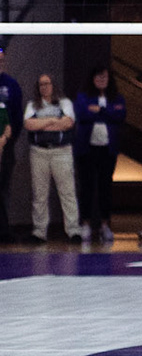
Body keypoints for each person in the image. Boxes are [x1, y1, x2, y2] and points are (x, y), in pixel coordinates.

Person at [73, 67, 126, 245]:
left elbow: (119, 115)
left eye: (105, 76)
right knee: (86, 187)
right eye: (98, 76)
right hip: (87, 149)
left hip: (107, 150)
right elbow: (82, 113)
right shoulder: (83, 96)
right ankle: (86, 223)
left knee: (105, 187)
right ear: (92, 78)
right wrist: (105, 112)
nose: (102, 79)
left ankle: (105, 224)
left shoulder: (116, 97)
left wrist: (100, 110)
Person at [24, 75, 78, 244]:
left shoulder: (64, 103)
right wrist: (54, 121)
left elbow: (68, 123)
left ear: (53, 85)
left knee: (67, 192)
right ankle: (39, 231)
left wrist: (42, 122)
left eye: (47, 84)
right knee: (39, 193)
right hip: (39, 152)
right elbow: (29, 125)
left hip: (61, 152)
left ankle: (73, 230)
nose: (44, 87)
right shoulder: (33, 105)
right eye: (41, 84)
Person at [0, 46, 22, 241]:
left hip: (5, 145)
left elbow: (17, 118)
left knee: (4, 187)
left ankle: (4, 229)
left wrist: (7, 138)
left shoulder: (11, 85)